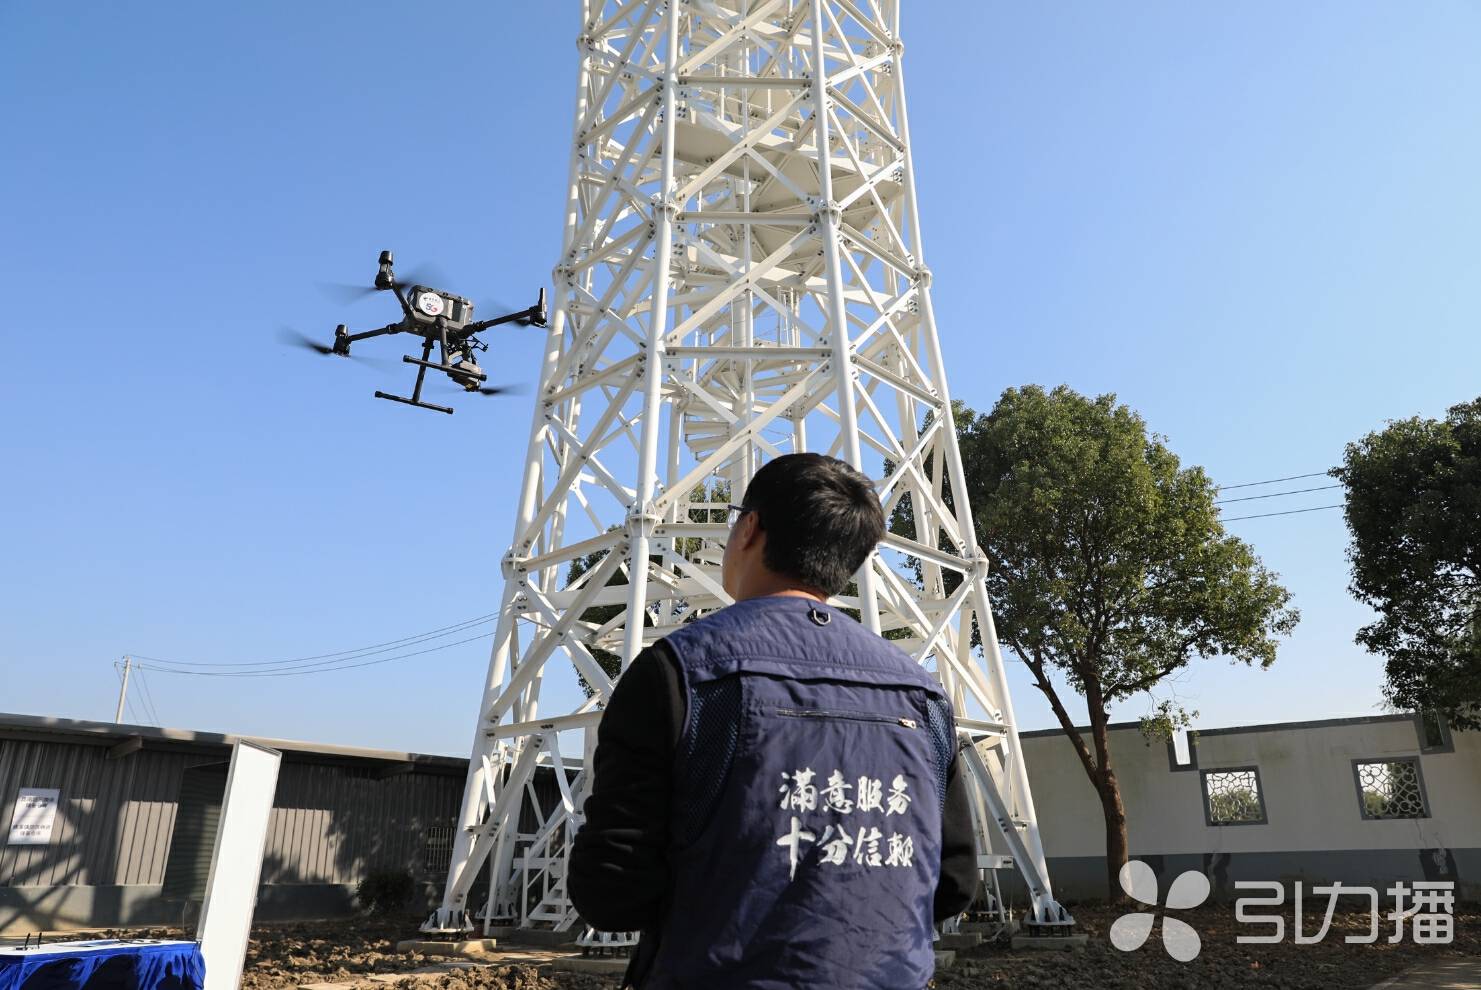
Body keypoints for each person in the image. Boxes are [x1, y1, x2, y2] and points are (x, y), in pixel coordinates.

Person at [568, 452, 979, 989]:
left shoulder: (679, 672)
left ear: (749, 529)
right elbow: (953, 881)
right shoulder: (923, 694)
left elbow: (613, 890)